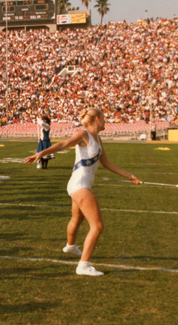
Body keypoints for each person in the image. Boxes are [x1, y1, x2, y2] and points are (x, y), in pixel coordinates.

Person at [24, 108, 141, 277]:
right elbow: (63, 144)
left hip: (79, 184)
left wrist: (129, 175)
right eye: (104, 118)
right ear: (97, 119)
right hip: (80, 185)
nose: (106, 121)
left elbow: (106, 162)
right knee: (97, 226)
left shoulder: (98, 139)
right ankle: (83, 266)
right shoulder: (83, 134)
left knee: (77, 219)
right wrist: (41, 153)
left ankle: (70, 247)